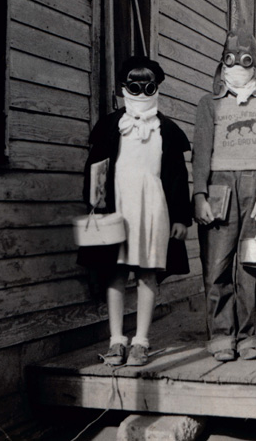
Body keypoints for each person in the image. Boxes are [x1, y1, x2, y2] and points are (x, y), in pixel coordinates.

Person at [77, 56, 191, 367]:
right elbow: (95, 169)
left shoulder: (166, 129)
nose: (141, 92)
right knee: (114, 273)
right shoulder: (111, 126)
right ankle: (116, 339)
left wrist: (181, 217)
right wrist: (94, 205)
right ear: (124, 87)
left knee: (146, 273)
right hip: (116, 206)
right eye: (134, 86)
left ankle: (141, 340)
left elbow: (178, 177)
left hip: (153, 207)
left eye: (148, 86)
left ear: (156, 88)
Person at [192, 28, 256, 362]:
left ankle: (246, 336)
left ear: (254, 64)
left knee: (250, 263)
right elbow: (201, 152)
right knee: (217, 264)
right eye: (230, 60)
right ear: (222, 63)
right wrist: (200, 194)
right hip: (219, 186)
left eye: (245, 60)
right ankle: (220, 336)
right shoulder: (209, 104)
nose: (237, 67)